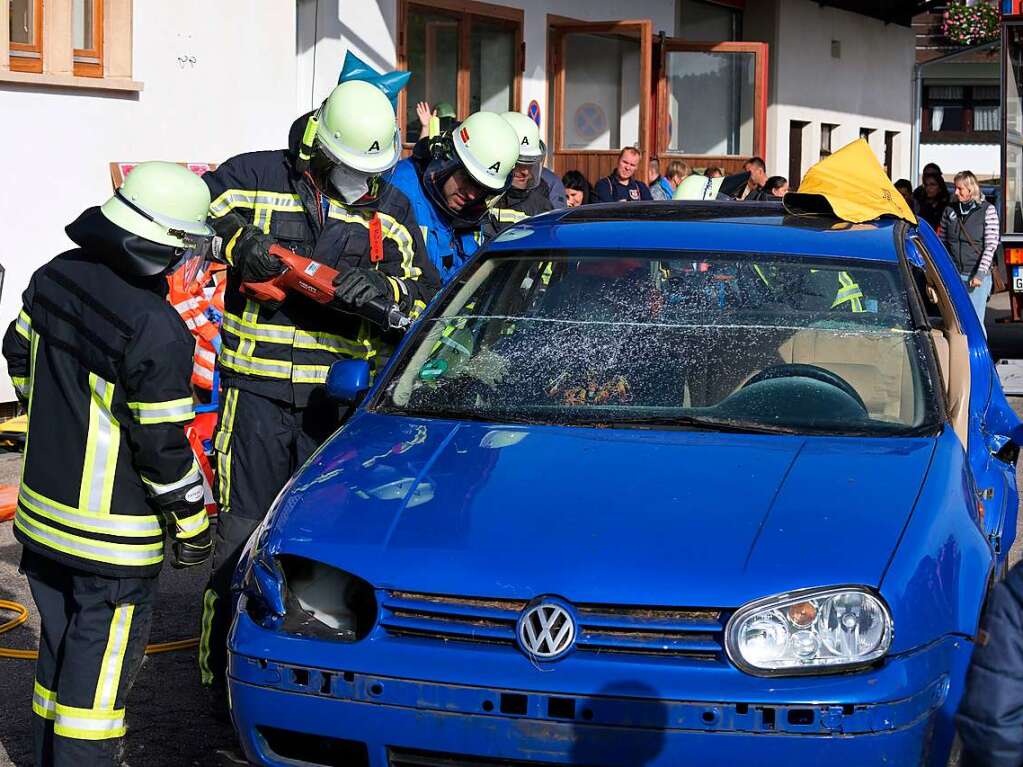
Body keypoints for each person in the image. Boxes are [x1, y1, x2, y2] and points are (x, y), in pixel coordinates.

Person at [197, 80, 440, 701]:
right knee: (239, 540)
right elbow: (190, 208)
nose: (364, 183)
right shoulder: (253, 176)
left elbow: (426, 300)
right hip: (257, 397)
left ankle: (310, 680)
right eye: (352, 170)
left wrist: (381, 298)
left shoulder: (391, 208)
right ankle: (216, 678)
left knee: (325, 547)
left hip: (338, 408)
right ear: (323, 151)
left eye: (373, 172)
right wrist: (238, 243)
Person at [3, 161, 214, 766]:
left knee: (61, 655)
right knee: (95, 693)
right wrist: (194, 526)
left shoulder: (55, 277)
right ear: (162, 246)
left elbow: (19, 353)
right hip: (111, 544)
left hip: (42, 521)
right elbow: (163, 451)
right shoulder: (158, 329)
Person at [390, 110, 520, 284]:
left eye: (482, 189)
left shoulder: (469, 213)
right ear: (446, 159)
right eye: (467, 179)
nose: (472, 195)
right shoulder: (398, 190)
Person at [940, 170, 999, 329]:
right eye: (956, 188)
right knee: (956, 324)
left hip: (976, 277)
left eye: (960, 189)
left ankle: (977, 353)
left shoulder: (988, 210)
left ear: (971, 190)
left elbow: (991, 245)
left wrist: (980, 274)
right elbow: (942, 242)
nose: (956, 192)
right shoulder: (950, 211)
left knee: (975, 324)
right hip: (955, 275)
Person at [487, 112, 555, 232]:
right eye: (518, 164)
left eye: (530, 165)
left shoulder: (541, 206)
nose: (525, 172)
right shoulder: (474, 198)